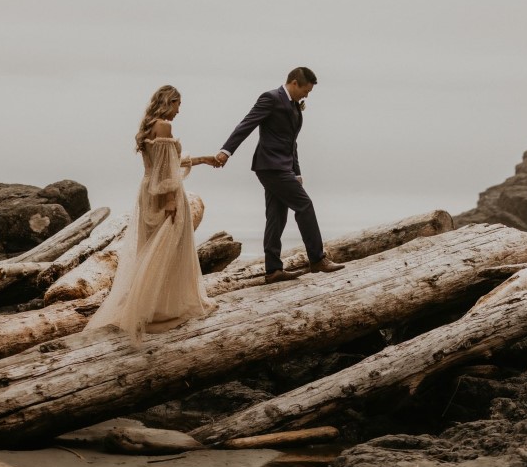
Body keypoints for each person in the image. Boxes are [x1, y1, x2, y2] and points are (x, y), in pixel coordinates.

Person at [85, 85, 218, 338]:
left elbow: (164, 164)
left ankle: (148, 306)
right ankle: (162, 310)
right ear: (170, 102)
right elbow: (167, 172)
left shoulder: (149, 125)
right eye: (178, 104)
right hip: (165, 195)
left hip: (147, 193)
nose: (180, 110)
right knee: (168, 250)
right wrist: (170, 202)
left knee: (149, 249)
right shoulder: (164, 126)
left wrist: (203, 159)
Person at [215, 66, 344, 283]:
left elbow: (291, 142)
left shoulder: (294, 106)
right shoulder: (271, 98)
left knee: (276, 216)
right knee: (305, 205)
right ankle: (317, 258)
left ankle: (273, 270)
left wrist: (297, 171)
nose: (307, 95)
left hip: (283, 167)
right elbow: (247, 123)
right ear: (294, 83)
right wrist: (226, 151)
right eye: (306, 90)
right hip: (270, 166)